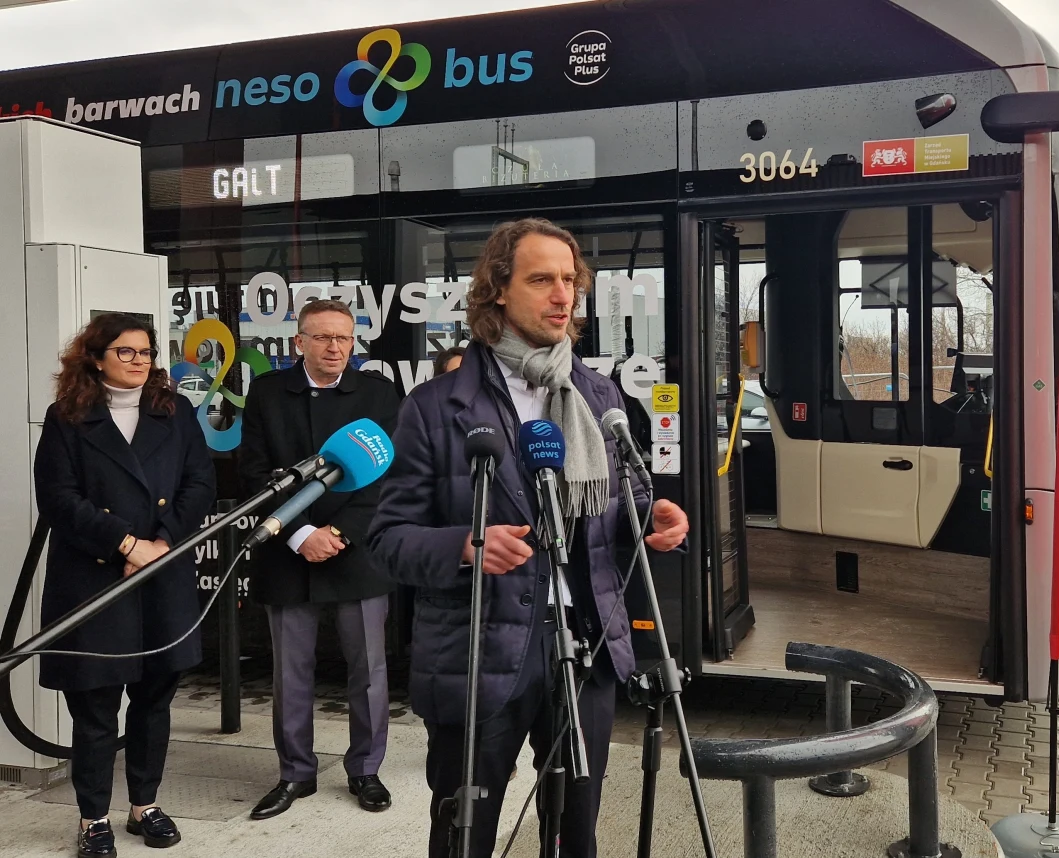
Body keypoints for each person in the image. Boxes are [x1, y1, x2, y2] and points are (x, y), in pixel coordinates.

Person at [367, 217, 689, 858]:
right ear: (496, 290)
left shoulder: (598, 394)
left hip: (587, 648)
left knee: (576, 833)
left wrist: (651, 517)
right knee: (463, 833)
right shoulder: (434, 407)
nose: (563, 295)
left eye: (570, 280)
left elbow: (622, 502)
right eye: (542, 279)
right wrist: (465, 546)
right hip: (478, 652)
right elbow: (388, 538)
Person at [33, 313, 216, 857]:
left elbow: (199, 483)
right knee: (95, 706)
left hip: (163, 573)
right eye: (126, 352)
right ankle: (93, 818)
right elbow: (59, 498)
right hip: (94, 578)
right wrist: (125, 544)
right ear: (95, 358)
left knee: (154, 698)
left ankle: (144, 806)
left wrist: (160, 543)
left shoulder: (175, 411)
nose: (139, 361)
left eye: (146, 351)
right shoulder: (67, 417)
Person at [238, 299, 402, 819]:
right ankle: (295, 774)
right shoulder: (267, 393)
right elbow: (253, 472)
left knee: (368, 670)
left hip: (357, 551)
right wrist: (299, 531)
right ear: (299, 342)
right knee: (291, 672)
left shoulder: (377, 394)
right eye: (324, 337)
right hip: (289, 548)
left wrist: (339, 531)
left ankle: (366, 770)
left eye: (344, 338)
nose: (335, 348)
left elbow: (389, 477)